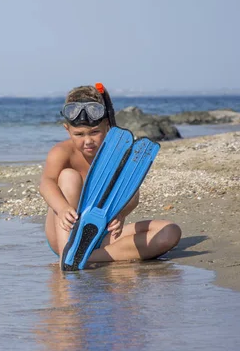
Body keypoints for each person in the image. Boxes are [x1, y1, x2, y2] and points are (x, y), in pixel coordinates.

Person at [39, 83, 181, 268]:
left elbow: (132, 195)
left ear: (107, 125)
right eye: (79, 134)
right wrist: (63, 207)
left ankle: (86, 257)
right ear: (67, 129)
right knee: (68, 177)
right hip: (65, 232)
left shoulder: (118, 155)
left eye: (95, 132)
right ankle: (68, 253)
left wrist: (120, 214)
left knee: (170, 232)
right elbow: (46, 183)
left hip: (100, 236)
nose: (88, 141)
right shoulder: (62, 152)